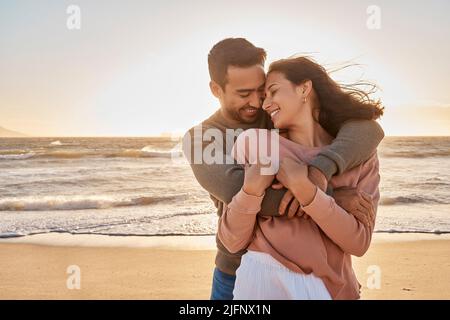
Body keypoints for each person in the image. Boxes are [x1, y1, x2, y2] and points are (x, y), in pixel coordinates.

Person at [182, 38, 384, 300]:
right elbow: (237, 192)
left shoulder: (278, 113)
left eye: (262, 90)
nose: (256, 102)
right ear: (215, 89)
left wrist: (319, 173)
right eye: (244, 94)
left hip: (317, 272)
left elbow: (366, 129)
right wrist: (334, 198)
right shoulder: (201, 139)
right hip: (237, 271)